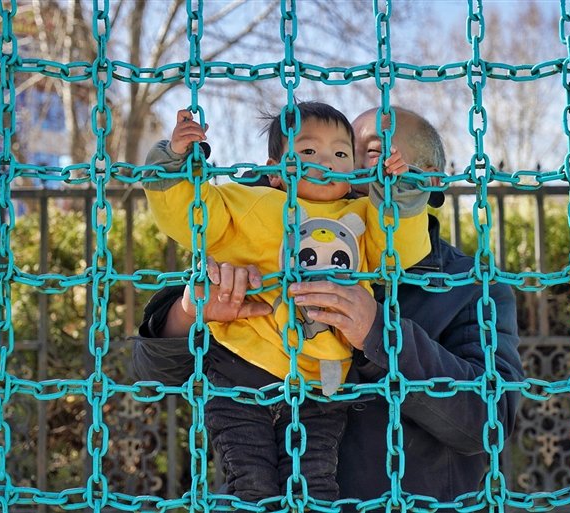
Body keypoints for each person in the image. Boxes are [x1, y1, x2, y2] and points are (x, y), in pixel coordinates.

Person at [132, 106, 524, 509]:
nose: (337, 164)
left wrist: (379, 334)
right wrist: (189, 313)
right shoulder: (261, 231)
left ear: (430, 178)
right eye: (340, 150)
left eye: (371, 152)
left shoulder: (470, 286)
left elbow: (489, 423)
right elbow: (150, 375)